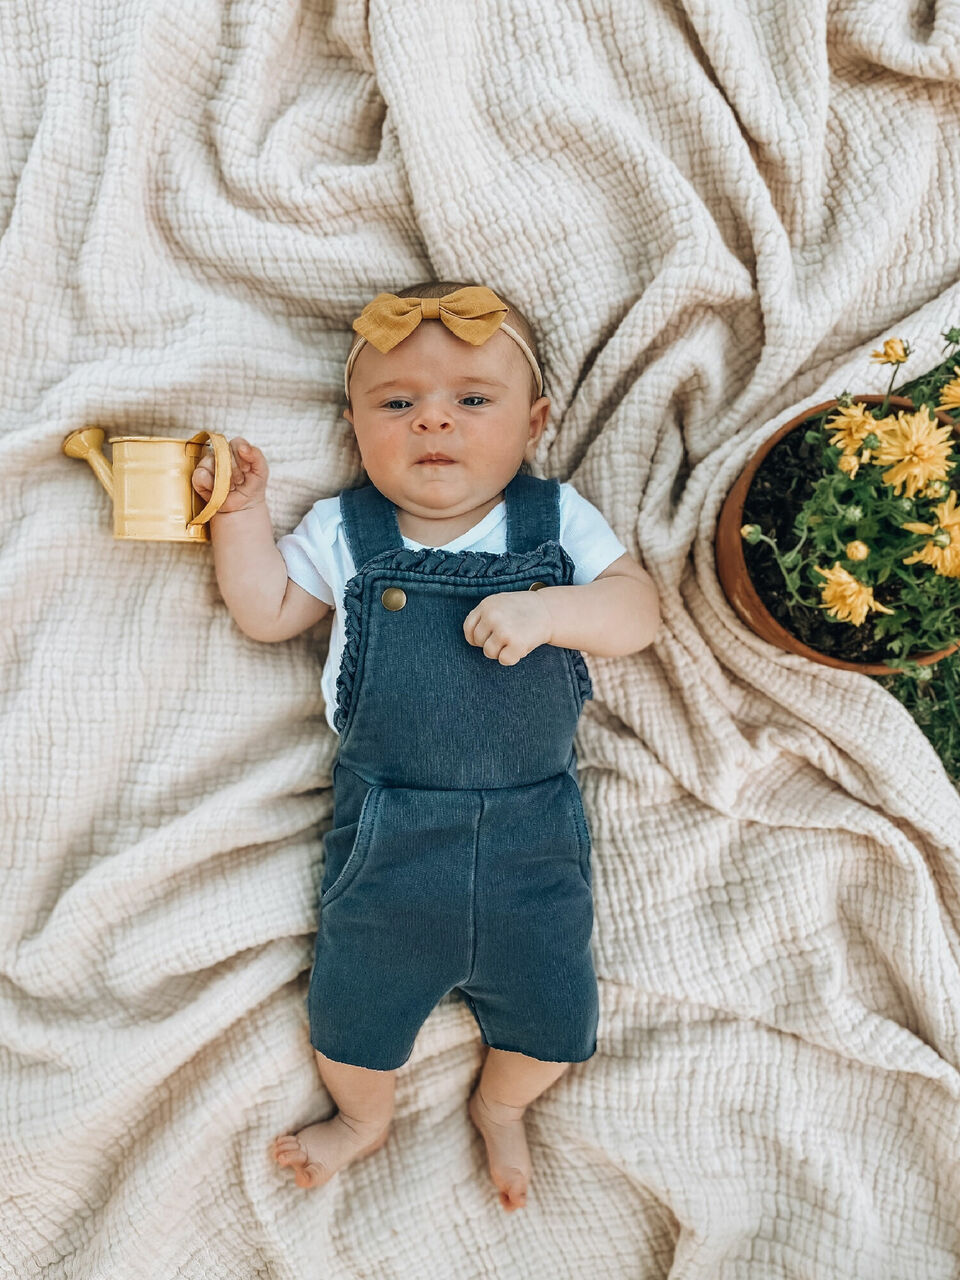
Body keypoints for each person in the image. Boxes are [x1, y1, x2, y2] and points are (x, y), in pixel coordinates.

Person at [192, 282, 661, 1213]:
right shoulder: (345, 530)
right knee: (351, 1023)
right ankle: (363, 1120)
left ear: (533, 423)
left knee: (556, 1026)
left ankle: (502, 1106)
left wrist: (556, 611)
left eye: (471, 401)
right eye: (397, 402)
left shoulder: (554, 522)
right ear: (354, 425)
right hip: (391, 831)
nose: (433, 420)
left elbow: (637, 611)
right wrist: (239, 515)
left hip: (534, 832)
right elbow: (267, 612)